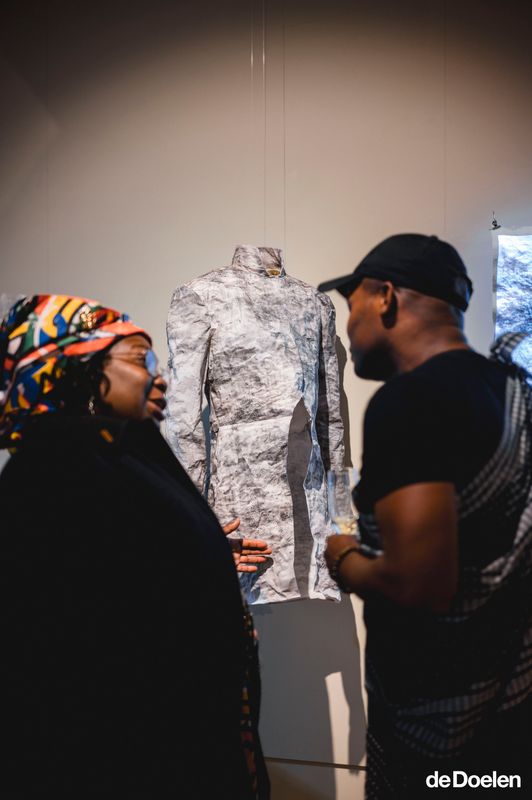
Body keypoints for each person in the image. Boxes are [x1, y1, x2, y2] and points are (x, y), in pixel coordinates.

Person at [0, 294, 269, 797]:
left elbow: (128, 556)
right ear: (77, 367)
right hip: (129, 755)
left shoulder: (119, 451)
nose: (158, 377)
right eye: (140, 360)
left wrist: (204, 553)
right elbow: (73, 628)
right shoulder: (56, 469)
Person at [319, 234, 532, 797]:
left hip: (435, 724)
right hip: (511, 707)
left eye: (352, 306)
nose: (348, 328)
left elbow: (419, 584)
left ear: (386, 297)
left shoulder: (409, 401)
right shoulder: (512, 389)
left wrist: (344, 558)